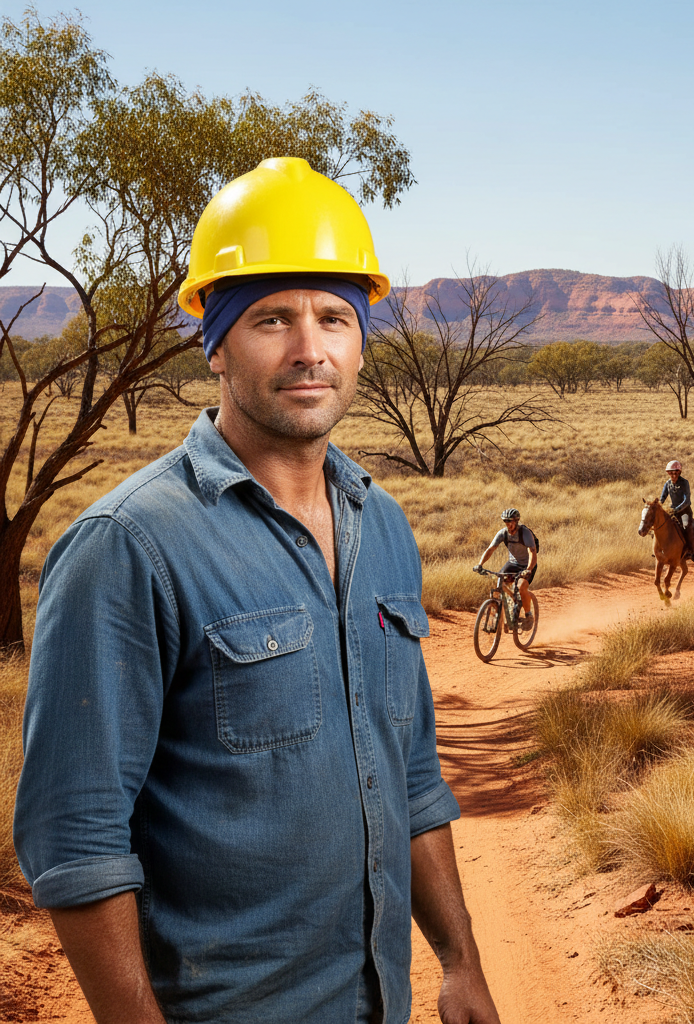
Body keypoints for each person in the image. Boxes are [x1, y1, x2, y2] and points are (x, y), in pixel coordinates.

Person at [14, 158, 500, 1024]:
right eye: (271, 318)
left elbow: (411, 775)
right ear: (217, 343)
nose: (310, 350)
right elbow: (76, 841)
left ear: (361, 343)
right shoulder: (127, 548)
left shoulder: (382, 527)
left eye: (335, 319)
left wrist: (461, 965)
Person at [475, 508, 537, 630]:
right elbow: (490, 549)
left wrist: (528, 569)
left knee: (521, 587)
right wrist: (480, 564)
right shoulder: (503, 533)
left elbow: (532, 552)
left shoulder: (525, 533)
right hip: (512, 564)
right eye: (506, 522)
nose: (508, 524)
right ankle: (499, 615)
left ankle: (529, 615)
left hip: (527, 565)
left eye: (510, 522)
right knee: (499, 584)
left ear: (516, 521)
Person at [659, 460, 694, 563]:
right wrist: (657, 505)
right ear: (668, 473)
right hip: (673, 511)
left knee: (685, 526)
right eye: (671, 473)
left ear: (679, 472)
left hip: (685, 511)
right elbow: (662, 498)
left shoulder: (684, 483)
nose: (673, 475)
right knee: (662, 525)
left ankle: (691, 551)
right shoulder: (667, 484)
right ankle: (661, 549)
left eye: (675, 472)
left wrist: (677, 509)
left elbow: (687, 500)